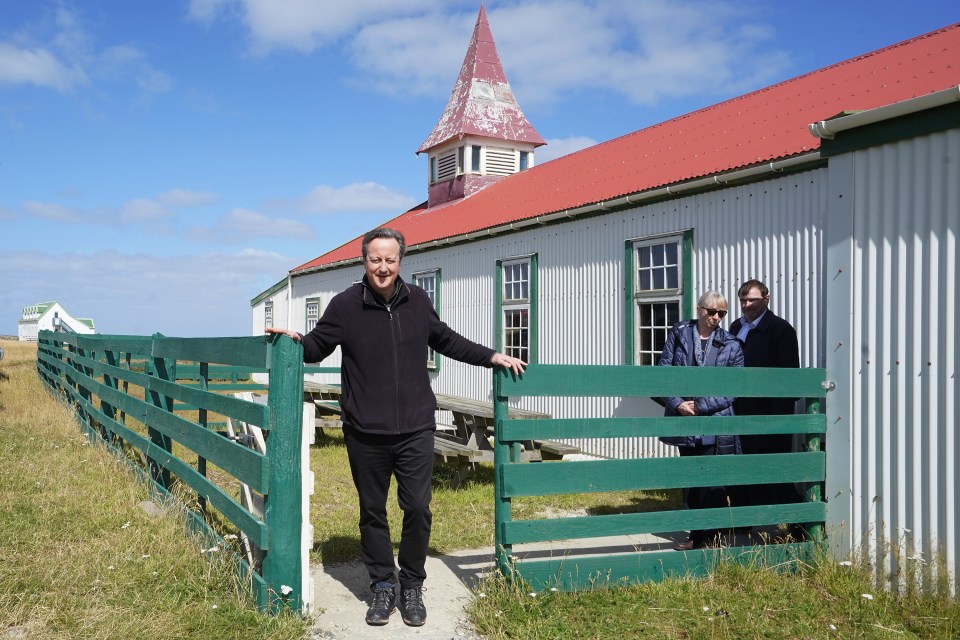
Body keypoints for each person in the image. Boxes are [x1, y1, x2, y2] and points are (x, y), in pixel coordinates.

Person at [266, 227, 525, 628]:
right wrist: (295, 340)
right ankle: (383, 586)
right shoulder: (346, 305)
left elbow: (447, 340)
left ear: (400, 261)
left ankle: (411, 584)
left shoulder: (418, 300)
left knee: (418, 508)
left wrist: (492, 355)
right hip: (365, 430)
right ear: (364, 261)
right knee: (372, 512)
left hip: (415, 428)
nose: (383, 267)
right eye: (375, 259)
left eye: (390, 259)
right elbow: (318, 346)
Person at [657, 291, 744, 551]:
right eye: (711, 311)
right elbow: (664, 371)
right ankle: (698, 532)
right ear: (699, 309)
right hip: (685, 419)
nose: (716, 317)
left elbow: (734, 387)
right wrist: (677, 403)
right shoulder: (679, 333)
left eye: (722, 313)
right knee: (691, 479)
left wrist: (702, 405)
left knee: (712, 481)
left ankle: (708, 535)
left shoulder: (732, 343)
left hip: (714, 421)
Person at [729, 279, 801, 507]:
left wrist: (776, 420)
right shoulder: (735, 327)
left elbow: (790, 379)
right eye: (743, 300)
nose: (747, 305)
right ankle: (745, 521)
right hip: (739, 412)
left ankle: (797, 525)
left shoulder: (781, 330)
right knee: (742, 470)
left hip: (769, 415)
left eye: (752, 300)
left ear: (766, 299)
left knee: (774, 471)